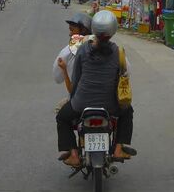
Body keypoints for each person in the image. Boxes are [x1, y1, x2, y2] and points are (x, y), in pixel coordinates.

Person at [56, 11, 135, 167]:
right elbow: (123, 77)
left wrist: (72, 99)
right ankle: (118, 149)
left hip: (81, 104)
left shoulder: (83, 50)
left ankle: (73, 155)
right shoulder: (118, 52)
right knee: (128, 111)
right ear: (113, 31)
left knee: (62, 117)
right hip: (111, 105)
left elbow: (77, 80)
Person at [52, 12, 93, 94]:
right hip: (108, 102)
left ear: (84, 30)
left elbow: (57, 78)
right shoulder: (115, 51)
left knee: (60, 106)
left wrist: (64, 69)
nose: (70, 34)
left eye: (72, 30)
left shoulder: (69, 50)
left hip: (79, 101)